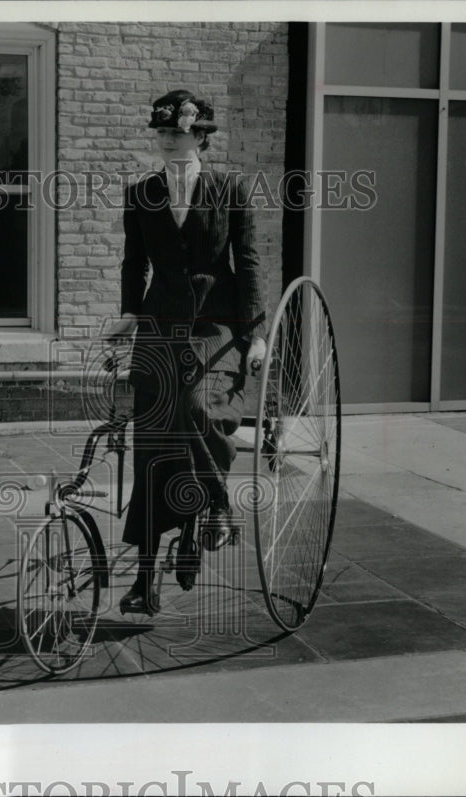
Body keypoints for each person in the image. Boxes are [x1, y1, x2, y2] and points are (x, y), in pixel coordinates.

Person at [106, 89, 267, 615]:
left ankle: (213, 506)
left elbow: (248, 262)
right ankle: (145, 580)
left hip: (215, 325)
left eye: (176, 132)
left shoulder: (231, 190)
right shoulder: (141, 193)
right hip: (159, 325)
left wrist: (256, 333)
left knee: (197, 407)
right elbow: (136, 263)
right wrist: (130, 314)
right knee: (152, 441)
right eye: (161, 133)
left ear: (200, 136)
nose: (166, 140)